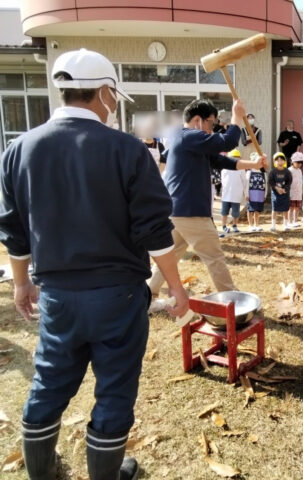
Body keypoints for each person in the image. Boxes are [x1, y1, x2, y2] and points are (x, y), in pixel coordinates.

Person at [0, 48, 190, 480]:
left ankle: (42, 474)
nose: (113, 106)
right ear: (105, 92)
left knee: (49, 382)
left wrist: (20, 283)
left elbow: (13, 228)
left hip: (57, 297)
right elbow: (154, 230)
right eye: (113, 98)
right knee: (115, 390)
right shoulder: (127, 150)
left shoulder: (18, 150)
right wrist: (176, 287)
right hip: (117, 296)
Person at [148, 99, 267, 302]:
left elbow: (222, 160)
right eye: (211, 123)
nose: (212, 130)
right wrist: (237, 117)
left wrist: (253, 165)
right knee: (214, 258)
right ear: (197, 120)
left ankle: (148, 295)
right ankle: (233, 302)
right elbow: (227, 142)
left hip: (177, 210)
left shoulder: (186, 140)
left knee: (170, 256)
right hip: (191, 211)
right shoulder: (189, 136)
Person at [220, 149, 248, 235]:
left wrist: (245, 193)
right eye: (233, 158)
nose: (235, 160)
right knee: (224, 212)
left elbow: (244, 181)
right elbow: (222, 181)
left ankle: (235, 225)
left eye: (237, 158)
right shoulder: (224, 168)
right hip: (226, 195)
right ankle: (224, 226)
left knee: (236, 213)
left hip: (236, 195)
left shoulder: (241, 169)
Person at [269, 152, 293, 231]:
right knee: (274, 209)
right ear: (274, 162)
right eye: (277, 160)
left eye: (281, 160)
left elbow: (289, 182)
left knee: (285, 209)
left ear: (284, 161)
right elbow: (271, 182)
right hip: (275, 193)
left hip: (285, 193)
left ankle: (285, 224)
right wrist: (277, 188)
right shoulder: (272, 172)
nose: (280, 162)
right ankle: (273, 225)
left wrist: (284, 189)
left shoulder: (287, 172)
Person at [246, 153, 266, 232]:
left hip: (260, 194)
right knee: (250, 210)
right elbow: (246, 184)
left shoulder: (263, 173)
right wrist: (246, 194)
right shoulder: (249, 172)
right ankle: (250, 225)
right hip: (251, 194)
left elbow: (265, 184)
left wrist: (265, 194)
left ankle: (256, 224)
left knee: (257, 210)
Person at [288, 151, 303, 227]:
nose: (299, 164)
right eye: (297, 162)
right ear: (293, 162)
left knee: (297, 208)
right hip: (291, 192)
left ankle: (295, 221)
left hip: (298, 192)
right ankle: (289, 221)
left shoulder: (299, 171)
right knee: (291, 208)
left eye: (301, 163)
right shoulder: (289, 170)